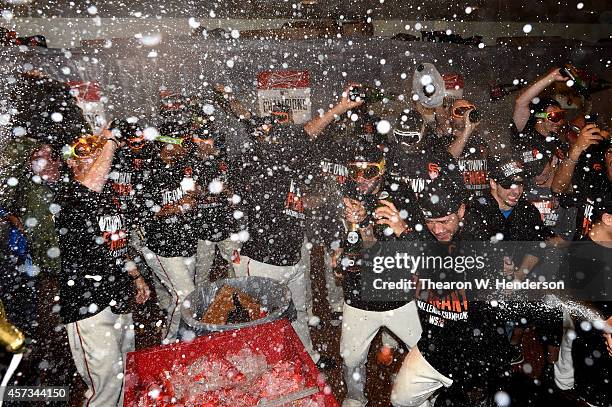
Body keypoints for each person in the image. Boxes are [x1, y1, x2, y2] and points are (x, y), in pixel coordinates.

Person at [390, 175, 509, 407]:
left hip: (478, 356)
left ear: (461, 211)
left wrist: (406, 236)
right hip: (434, 347)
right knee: (400, 400)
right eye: (430, 221)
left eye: (445, 221)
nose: (437, 229)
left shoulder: (478, 235)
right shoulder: (421, 232)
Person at [56, 128, 150, 406]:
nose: (95, 156)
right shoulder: (68, 195)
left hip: (117, 293)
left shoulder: (107, 196)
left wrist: (136, 277)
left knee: (125, 369)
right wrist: (109, 140)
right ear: (71, 163)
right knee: (107, 382)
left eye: (96, 150)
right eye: (83, 152)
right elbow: (90, 184)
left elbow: (117, 242)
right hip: (88, 302)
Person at [334, 139, 422, 407]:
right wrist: (336, 250)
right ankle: (356, 396)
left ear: (382, 170)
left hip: (399, 296)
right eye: (354, 171)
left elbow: (414, 241)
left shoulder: (400, 192)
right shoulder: (343, 192)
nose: (360, 179)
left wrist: (366, 219)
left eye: (369, 171)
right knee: (350, 358)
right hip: (359, 297)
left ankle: (422, 398)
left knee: (423, 352)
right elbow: (334, 236)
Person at [137, 121, 199, 344]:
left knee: (183, 296)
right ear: (165, 145)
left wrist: (188, 199)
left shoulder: (185, 167)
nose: (183, 148)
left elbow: (193, 193)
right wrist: (180, 205)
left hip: (186, 240)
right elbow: (148, 213)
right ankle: (169, 341)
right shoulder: (148, 172)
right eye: (179, 143)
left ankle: (184, 338)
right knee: (185, 297)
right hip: (162, 246)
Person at [551, 118, 611, 240]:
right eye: (610, 152)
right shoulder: (594, 177)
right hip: (583, 251)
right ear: (604, 157)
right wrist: (577, 148)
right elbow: (558, 189)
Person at [511, 67, 570, 177]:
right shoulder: (523, 134)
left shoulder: (556, 141)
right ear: (539, 117)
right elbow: (521, 102)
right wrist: (551, 77)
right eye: (554, 117)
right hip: (525, 192)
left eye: (561, 116)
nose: (559, 122)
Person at [444, 99, 489, 197]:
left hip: (481, 202)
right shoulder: (444, 141)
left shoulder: (480, 142)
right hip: (459, 204)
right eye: (459, 111)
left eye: (469, 110)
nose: (465, 116)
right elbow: (448, 160)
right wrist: (467, 131)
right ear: (451, 118)